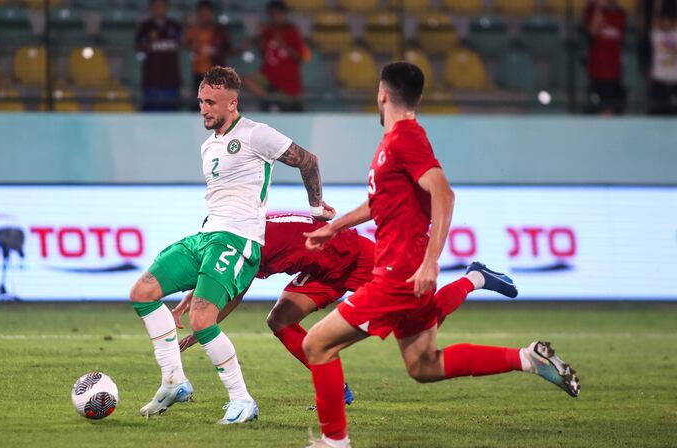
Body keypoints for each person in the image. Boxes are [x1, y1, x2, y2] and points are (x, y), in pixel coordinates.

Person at [281, 62, 581, 448]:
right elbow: (380, 202)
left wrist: (431, 262)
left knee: (317, 344)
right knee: (423, 365)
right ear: (417, 97)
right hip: (404, 274)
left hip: (396, 277)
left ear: (382, 94)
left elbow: (444, 193)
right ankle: (527, 357)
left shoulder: (406, 138)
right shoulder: (394, 143)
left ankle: (335, 443)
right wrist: (334, 227)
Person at [129, 66, 335, 425]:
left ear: (232, 102)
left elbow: (308, 161)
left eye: (211, 102)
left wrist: (316, 208)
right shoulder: (208, 146)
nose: (204, 109)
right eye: (200, 101)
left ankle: (242, 400)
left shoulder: (257, 134)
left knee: (202, 319)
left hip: (240, 239)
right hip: (208, 234)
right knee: (143, 291)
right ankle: (174, 381)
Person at [176, 214, 520, 407]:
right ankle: (336, 388)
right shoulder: (241, 231)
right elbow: (217, 273)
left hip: (354, 256)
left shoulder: (247, 243)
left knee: (423, 320)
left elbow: (234, 289)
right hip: (322, 270)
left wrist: (204, 326)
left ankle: (474, 278)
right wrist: (194, 300)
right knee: (280, 319)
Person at [243, 0, 307, 112]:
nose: (276, 17)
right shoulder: (268, 31)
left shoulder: (292, 31)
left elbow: (300, 57)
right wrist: (258, 37)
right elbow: (263, 53)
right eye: (273, 14)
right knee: (245, 80)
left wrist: (283, 44)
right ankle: (270, 99)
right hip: (269, 77)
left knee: (290, 111)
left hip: (287, 81)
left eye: (279, 14)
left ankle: (276, 101)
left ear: (284, 14)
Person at [136, 0, 182, 111]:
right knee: (149, 115)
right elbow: (138, 48)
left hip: (171, 80)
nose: (159, 9)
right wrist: (149, 41)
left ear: (167, 8)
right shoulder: (146, 26)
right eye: (156, 6)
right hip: (151, 80)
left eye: (162, 6)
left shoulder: (175, 26)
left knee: (170, 115)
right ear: (151, 8)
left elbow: (185, 44)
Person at [583, 0, 627, 115]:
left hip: (614, 72)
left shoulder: (620, 13)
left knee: (612, 111)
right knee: (596, 112)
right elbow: (592, 32)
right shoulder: (591, 10)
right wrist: (598, 8)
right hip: (597, 72)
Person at [185, 1, 231, 91]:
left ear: (212, 14)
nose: (204, 15)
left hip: (217, 74)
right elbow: (188, 46)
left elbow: (228, 50)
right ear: (198, 14)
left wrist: (214, 51)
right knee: (201, 103)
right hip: (198, 73)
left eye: (207, 12)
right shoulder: (192, 30)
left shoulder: (219, 31)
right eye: (201, 13)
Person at [649, 0, 677, 114]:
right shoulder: (657, 36)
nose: (665, 24)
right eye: (663, 21)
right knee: (657, 113)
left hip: (674, 80)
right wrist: (658, 5)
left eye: (668, 21)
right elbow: (655, 19)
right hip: (659, 81)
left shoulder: (675, 35)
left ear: (672, 22)